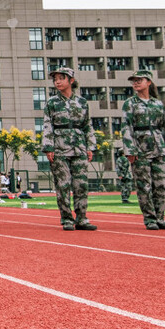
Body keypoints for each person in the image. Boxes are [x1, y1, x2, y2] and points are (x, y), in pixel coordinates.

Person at [41, 66, 96, 230]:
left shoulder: (82, 102)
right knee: (63, 184)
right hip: (59, 147)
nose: (57, 82)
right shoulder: (52, 102)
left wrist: (90, 146)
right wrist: (48, 147)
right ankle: (66, 218)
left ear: (71, 80)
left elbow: (87, 125)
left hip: (79, 147)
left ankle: (82, 218)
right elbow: (47, 125)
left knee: (81, 184)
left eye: (61, 78)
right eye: (55, 79)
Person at [120, 70, 165, 230]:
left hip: (159, 148)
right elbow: (126, 126)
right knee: (144, 186)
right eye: (134, 81)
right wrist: (129, 149)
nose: (136, 83)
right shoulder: (130, 103)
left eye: (139, 80)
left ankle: (160, 218)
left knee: (161, 185)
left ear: (148, 82)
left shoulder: (158, 104)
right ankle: (150, 219)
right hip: (140, 149)